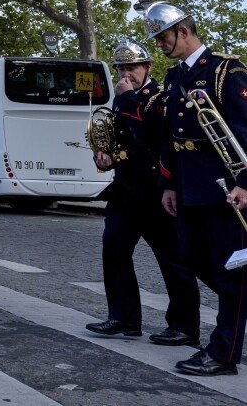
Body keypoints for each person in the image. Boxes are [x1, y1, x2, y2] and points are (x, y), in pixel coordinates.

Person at [149, 2, 247, 376]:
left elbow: (246, 131)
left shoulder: (226, 71)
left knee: (232, 271)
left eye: (162, 37)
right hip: (191, 187)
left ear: (184, 32)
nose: (160, 45)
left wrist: (245, 184)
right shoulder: (175, 77)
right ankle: (236, 312)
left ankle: (223, 353)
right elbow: (170, 138)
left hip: (226, 188)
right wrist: (168, 184)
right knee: (191, 257)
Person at [84, 38, 200, 345]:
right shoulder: (124, 97)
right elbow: (118, 139)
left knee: (172, 259)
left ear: (147, 67)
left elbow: (147, 132)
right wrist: (105, 155)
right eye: (121, 68)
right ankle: (124, 318)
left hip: (155, 190)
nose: (126, 74)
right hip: (124, 189)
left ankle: (184, 327)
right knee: (115, 250)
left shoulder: (159, 97)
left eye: (132, 67)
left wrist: (125, 99)